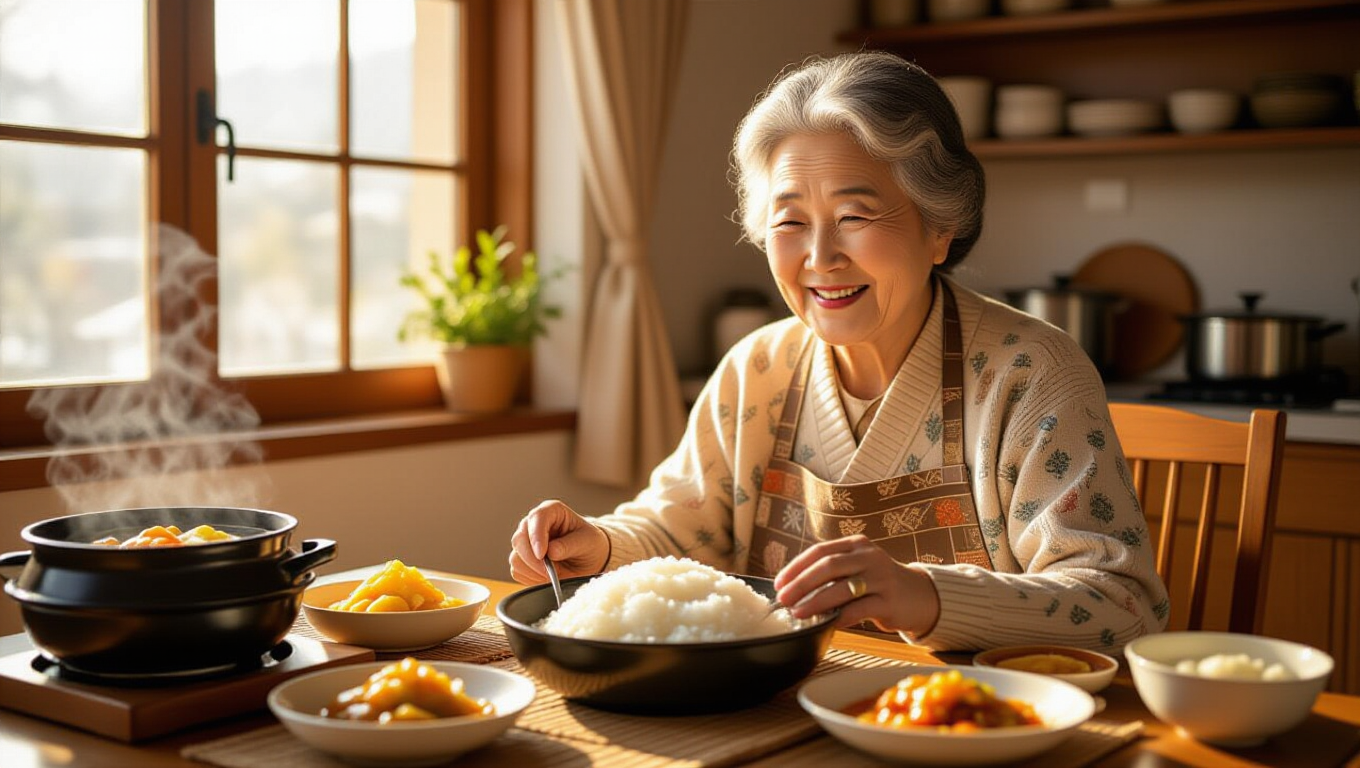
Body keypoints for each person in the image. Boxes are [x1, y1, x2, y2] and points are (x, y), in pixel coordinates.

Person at [509, 51, 1168, 652]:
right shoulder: (755, 370)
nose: (819, 259)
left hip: (979, 726)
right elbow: (680, 535)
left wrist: (926, 596)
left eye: (854, 216)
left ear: (940, 227)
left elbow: (1122, 603)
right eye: (790, 221)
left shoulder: (1028, 375)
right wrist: (597, 547)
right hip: (777, 721)